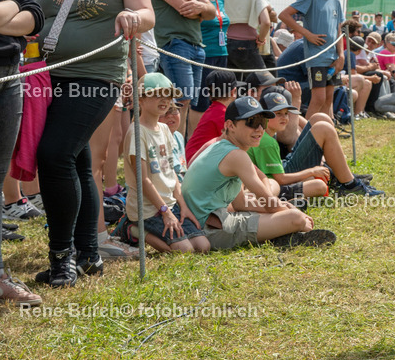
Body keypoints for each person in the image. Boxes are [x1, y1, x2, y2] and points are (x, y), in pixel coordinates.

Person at [33, 0, 154, 287]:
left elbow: (147, 12)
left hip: (95, 77)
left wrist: (133, 15)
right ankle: (87, 254)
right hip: (48, 77)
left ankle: (61, 257)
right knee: (79, 160)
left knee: (55, 155)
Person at [179, 96, 336, 249]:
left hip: (206, 224)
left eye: (262, 122)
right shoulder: (236, 155)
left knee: (279, 211)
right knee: (295, 218)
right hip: (211, 231)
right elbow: (269, 203)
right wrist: (293, 213)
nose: (260, 129)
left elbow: (240, 203)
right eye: (252, 122)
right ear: (230, 125)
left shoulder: (220, 146)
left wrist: (283, 205)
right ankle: (284, 234)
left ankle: (278, 235)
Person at [0, 0, 45, 305]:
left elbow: (34, 14)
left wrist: (2, 14)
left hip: (10, 71)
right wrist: (12, 9)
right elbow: (20, 8)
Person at [122, 73, 209, 255]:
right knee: (184, 251)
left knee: (203, 246)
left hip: (169, 204)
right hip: (148, 209)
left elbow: (171, 173)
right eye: (156, 94)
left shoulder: (164, 129)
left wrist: (182, 206)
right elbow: (143, 180)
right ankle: (135, 228)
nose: (164, 100)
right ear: (141, 99)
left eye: (168, 95)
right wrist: (165, 212)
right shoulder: (137, 132)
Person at [152, 0, 215, 122]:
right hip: (174, 43)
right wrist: (202, 8)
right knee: (177, 102)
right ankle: (169, 148)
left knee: (185, 103)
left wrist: (201, 9)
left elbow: (213, 13)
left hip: (195, 46)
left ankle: (178, 148)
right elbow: (185, 9)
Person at [277, 0, 346, 119]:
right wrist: (308, 34)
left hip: (333, 57)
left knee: (329, 98)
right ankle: (304, 138)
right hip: (316, 57)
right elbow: (284, 15)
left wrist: (341, 55)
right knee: (319, 98)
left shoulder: (336, 1)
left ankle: (327, 133)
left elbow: (338, 29)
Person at [188, 0, 229, 136]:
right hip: (204, 55)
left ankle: (213, 138)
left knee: (220, 99)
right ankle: (194, 141)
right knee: (200, 102)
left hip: (222, 53)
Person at [222, 0, 270, 73]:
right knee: (264, 81)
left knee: (232, 84)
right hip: (248, 44)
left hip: (226, 44)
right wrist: (261, 39)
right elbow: (266, 22)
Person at [185, 70, 241, 164]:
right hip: (197, 164)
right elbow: (237, 144)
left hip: (196, 160)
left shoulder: (215, 109)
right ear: (233, 92)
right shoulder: (222, 115)